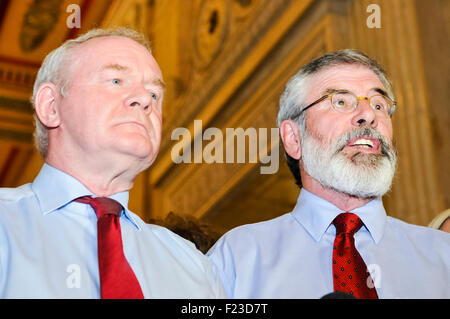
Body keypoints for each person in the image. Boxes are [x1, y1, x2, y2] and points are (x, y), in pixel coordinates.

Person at [0, 27, 226, 298]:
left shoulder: (194, 267)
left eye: (155, 94)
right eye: (116, 80)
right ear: (51, 105)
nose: (145, 100)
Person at [207, 49, 450, 299]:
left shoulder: (444, 258)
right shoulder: (237, 260)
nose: (369, 115)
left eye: (379, 104)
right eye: (341, 101)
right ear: (294, 138)